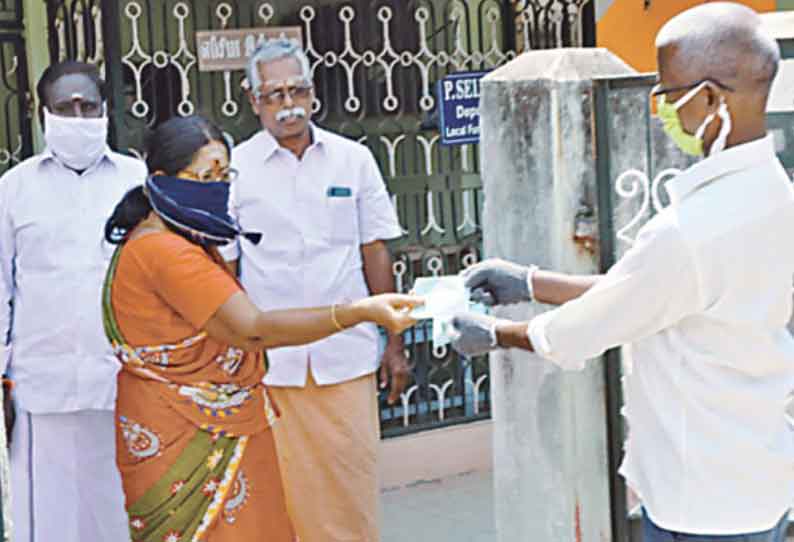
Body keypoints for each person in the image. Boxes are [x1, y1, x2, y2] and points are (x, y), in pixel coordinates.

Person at [449, 3, 793, 542]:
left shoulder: (691, 230)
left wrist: (495, 333)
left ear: (710, 98)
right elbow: (646, 291)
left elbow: (593, 325)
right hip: (759, 480)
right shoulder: (774, 194)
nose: (662, 110)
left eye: (667, 93)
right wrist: (530, 281)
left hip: (699, 502)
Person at [103, 114, 420, 542]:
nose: (218, 186)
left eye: (223, 174)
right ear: (162, 179)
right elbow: (250, 329)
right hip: (186, 428)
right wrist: (359, 312)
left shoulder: (176, 238)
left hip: (210, 419)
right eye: (204, 175)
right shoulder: (164, 252)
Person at [220, 39, 407, 541]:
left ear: (313, 91)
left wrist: (394, 343)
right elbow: (226, 272)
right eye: (274, 94)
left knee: (351, 492)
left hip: (344, 358)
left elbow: (375, 251)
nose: (288, 105)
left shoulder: (354, 160)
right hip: (271, 367)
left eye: (297, 90)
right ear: (252, 99)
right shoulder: (235, 171)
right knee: (279, 498)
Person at [0, 60, 147, 542]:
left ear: (106, 110)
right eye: (66, 108)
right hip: (45, 389)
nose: (79, 116)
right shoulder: (13, 190)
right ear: (44, 114)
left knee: (121, 515)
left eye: (89, 106)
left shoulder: (138, 181)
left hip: (124, 383)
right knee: (49, 523)